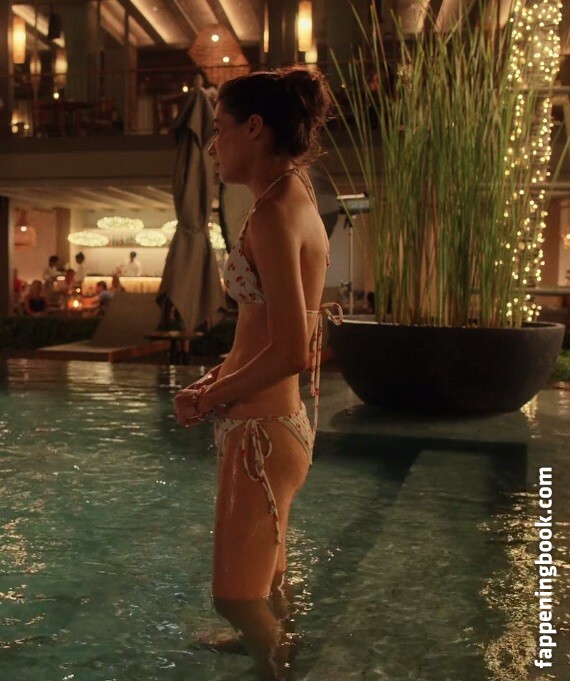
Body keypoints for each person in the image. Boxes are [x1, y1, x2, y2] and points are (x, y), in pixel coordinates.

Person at [173, 66, 341, 680]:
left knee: (235, 597)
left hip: (260, 433)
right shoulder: (295, 198)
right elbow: (264, 334)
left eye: (219, 129)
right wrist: (214, 379)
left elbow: (294, 350)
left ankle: (275, 661)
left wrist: (211, 396)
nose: (212, 146)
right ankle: (269, 642)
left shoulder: (272, 215)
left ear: (254, 127)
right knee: (267, 579)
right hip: (275, 425)